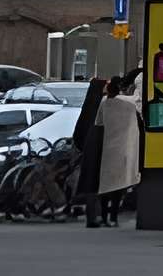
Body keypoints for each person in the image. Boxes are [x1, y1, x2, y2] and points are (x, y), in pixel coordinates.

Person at [98, 72, 142, 227]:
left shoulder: (104, 102)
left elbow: (99, 122)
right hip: (123, 147)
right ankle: (113, 217)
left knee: (105, 185)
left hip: (107, 146)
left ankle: (103, 217)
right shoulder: (128, 104)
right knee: (118, 185)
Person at [72, 77, 108, 227]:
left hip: (88, 151)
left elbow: (78, 133)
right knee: (99, 184)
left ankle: (92, 216)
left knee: (90, 184)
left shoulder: (88, 107)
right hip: (100, 150)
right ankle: (98, 216)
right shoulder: (103, 106)